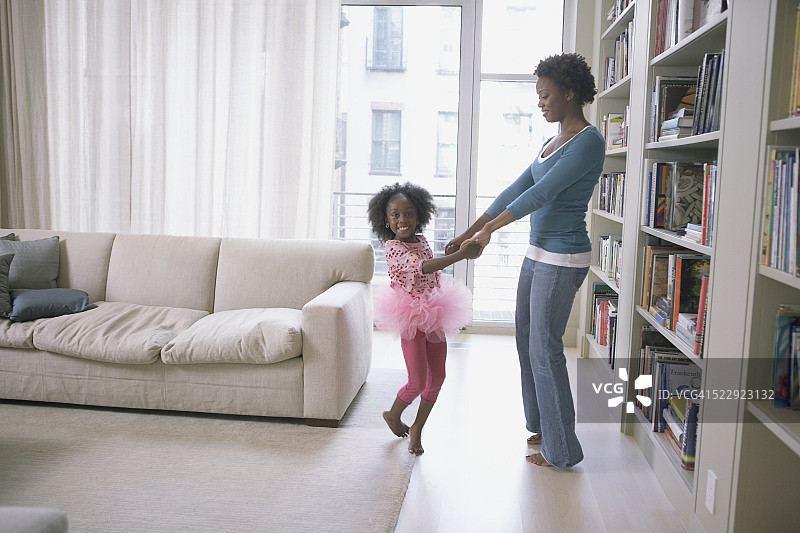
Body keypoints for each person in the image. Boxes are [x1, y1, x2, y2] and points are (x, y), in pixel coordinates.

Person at [446, 53, 604, 468]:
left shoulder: (589, 140)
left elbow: (541, 195)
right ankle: (542, 427)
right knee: (526, 342)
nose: (540, 103)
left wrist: (489, 231)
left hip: (563, 257)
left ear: (570, 93)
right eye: (539, 96)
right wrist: (466, 233)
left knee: (545, 349)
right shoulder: (550, 143)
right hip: (538, 254)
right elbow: (514, 190)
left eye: (546, 94)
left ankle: (562, 450)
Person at [368, 182, 480, 455]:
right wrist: (459, 256)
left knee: (438, 376)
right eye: (395, 215)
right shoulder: (392, 247)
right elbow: (422, 267)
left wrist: (454, 249)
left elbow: (432, 273)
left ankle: (417, 427)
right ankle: (393, 414)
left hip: (433, 310)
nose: (402, 220)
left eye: (409, 213)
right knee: (417, 380)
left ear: (419, 216)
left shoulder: (422, 241)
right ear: (386, 220)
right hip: (408, 314)